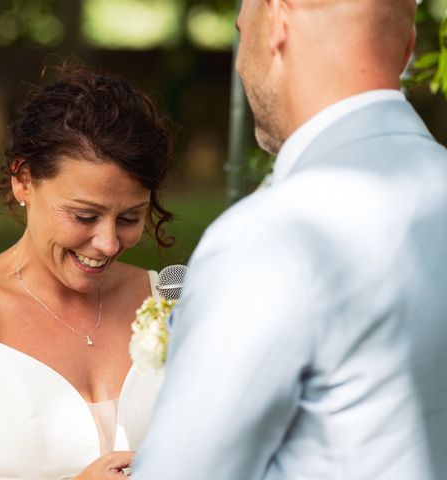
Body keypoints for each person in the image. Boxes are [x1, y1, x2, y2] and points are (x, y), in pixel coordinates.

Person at [133, 0, 447, 478]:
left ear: (277, 21)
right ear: (406, 48)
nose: (239, 63)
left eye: (243, 30)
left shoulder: (270, 238)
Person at [0, 66, 174, 479]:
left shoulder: (166, 300)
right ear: (23, 181)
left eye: (130, 217)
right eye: (84, 215)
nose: (108, 243)